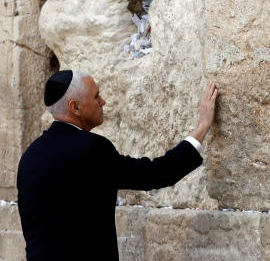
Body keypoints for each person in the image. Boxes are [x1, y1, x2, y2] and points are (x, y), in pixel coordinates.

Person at [17, 69, 218, 261]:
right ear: (75, 107)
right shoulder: (90, 150)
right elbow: (155, 173)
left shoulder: (29, 157)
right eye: (96, 96)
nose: (103, 102)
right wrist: (202, 127)